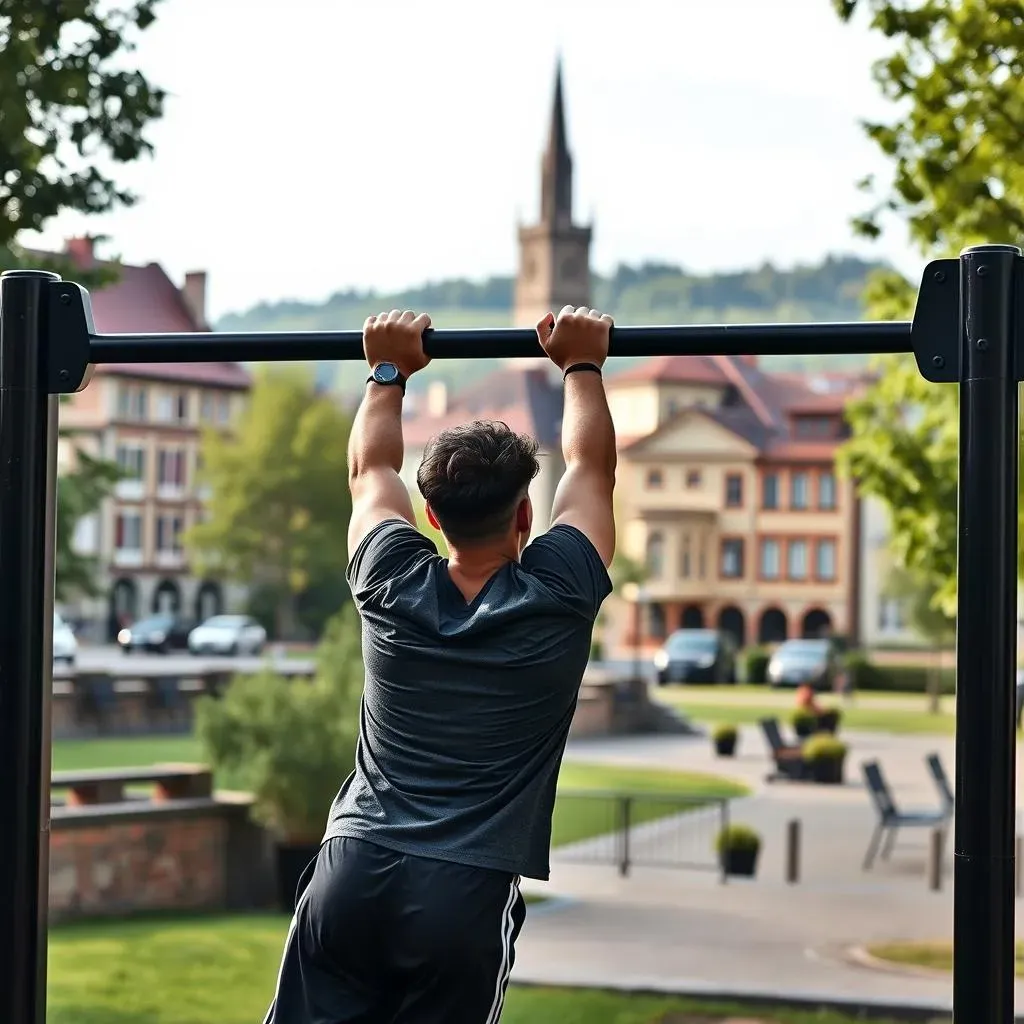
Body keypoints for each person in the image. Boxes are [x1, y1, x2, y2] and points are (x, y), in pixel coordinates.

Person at [263, 304, 618, 1024]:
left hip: (351, 871)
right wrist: (581, 364)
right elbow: (591, 468)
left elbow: (370, 467)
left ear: (430, 515)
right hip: (460, 895)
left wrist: (388, 371)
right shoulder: (559, 591)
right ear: (526, 517)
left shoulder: (390, 579)